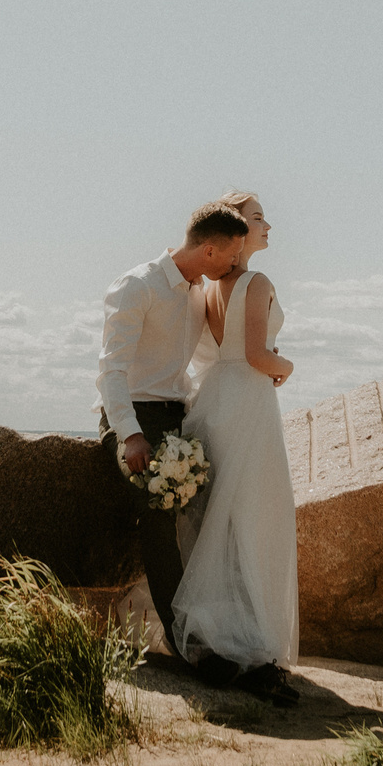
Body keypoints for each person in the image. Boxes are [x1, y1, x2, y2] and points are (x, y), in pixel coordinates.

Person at [96, 199, 252, 675]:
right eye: (232, 256)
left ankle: (221, 630)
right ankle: (186, 645)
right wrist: (130, 436)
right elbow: (111, 371)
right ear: (209, 251)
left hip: (178, 418)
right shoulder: (137, 285)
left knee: (213, 511)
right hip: (134, 419)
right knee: (159, 517)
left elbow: (214, 354)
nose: (235, 264)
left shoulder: (198, 293)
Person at [170, 191, 301, 705]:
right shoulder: (257, 282)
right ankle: (253, 641)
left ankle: (225, 632)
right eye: (257, 218)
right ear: (238, 233)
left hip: (216, 400)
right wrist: (286, 367)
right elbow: (255, 356)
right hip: (248, 403)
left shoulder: (209, 289)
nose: (267, 226)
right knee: (256, 519)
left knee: (220, 520)